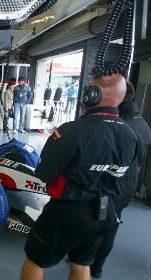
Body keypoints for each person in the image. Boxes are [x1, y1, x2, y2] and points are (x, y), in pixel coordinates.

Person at [20, 72, 138, 280]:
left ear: (93, 95)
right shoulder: (130, 135)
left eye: (94, 86)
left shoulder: (71, 131)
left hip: (66, 212)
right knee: (82, 265)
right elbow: (125, 178)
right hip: (103, 212)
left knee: (35, 261)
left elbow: (44, 173)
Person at [90, 81, 151, 278]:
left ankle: (90, 262)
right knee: (112, 222)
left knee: (99, 222)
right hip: (128, 184)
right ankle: (95, 264)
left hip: (111, 184)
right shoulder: (142, 122)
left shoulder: (118, 124)